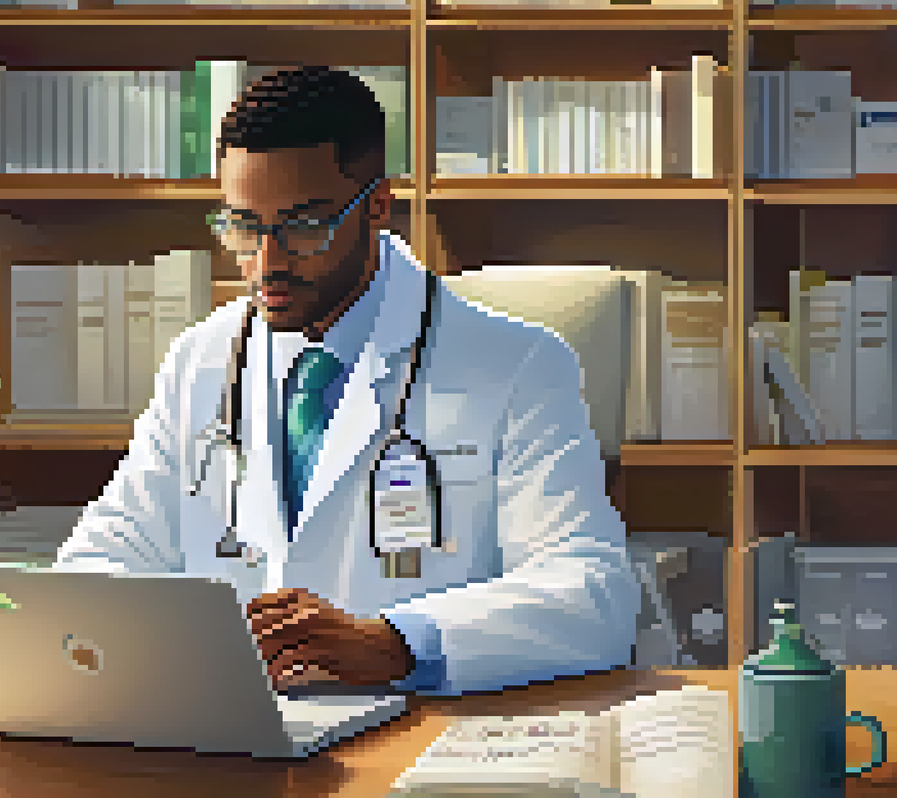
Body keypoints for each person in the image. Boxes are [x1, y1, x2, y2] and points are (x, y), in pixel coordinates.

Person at [54, 66, 640, 696]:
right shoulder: (201, 357)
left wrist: (397, 642)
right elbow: (102, 559)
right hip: (233, 729)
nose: (268, 263)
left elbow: (590, 593)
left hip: (418, 733)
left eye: (304, 227)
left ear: (379, 207)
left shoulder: (516, 363)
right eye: (244, 227)